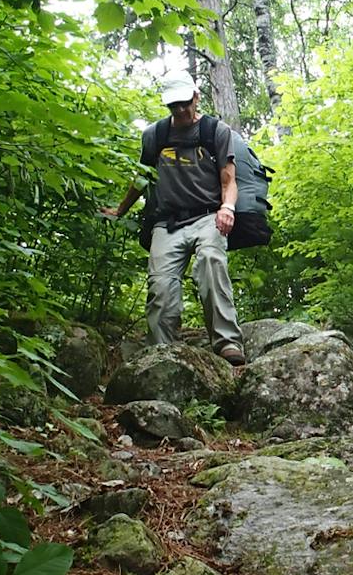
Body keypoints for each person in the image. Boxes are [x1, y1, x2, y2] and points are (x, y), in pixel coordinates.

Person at [101, 75, 246, 364]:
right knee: (161, 288)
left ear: (196, 96)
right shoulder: (154, 135)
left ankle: (227, 343)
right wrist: (120, 210)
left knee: (210, 264)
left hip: (207, 216)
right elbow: (142, 178)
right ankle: (161, 355)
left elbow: (228, 179)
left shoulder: (215, 130)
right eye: (173, 105)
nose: (180, 110)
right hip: (166, 222)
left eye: (184, 103)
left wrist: (227, 208)